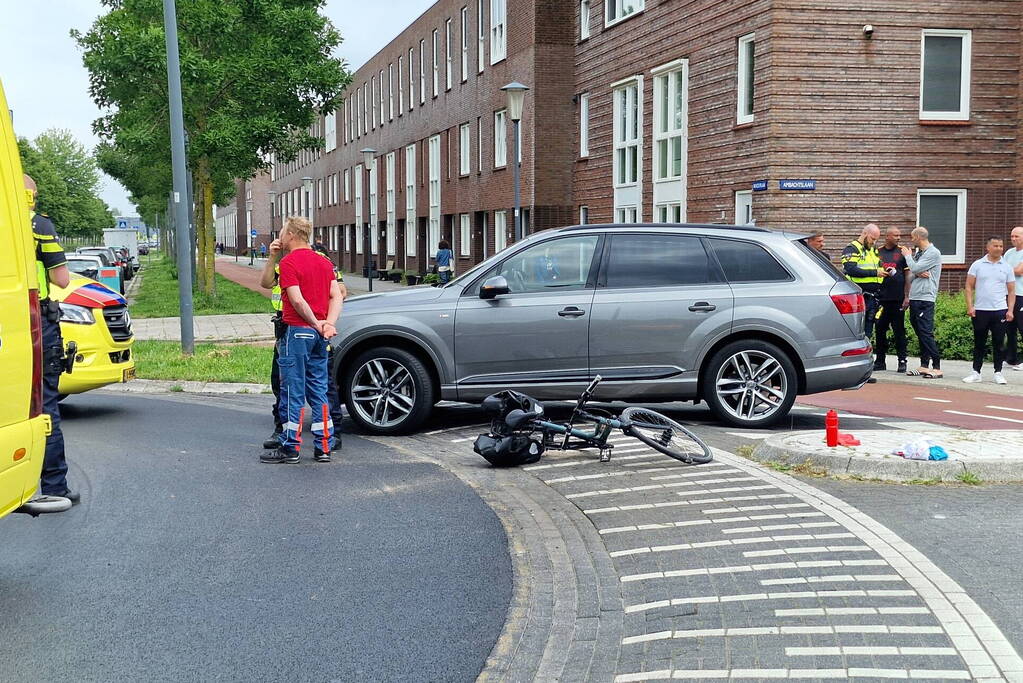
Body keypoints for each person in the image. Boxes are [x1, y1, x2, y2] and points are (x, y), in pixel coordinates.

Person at [261, 217, 343, 464]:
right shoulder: (323, 262)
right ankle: (324, 446)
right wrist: (327, 323)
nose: (280, 236)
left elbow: (296, 300)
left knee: (292, 390)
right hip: (320, 337)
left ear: (293, 234)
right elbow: (336, 295)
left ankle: (291, 447)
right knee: (319, 389)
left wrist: (314, 322)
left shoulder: (289, 263)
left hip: (297, 331)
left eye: (284, 232)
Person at [23, 174, 77, 508]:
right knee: (44, 403)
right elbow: (61, 278)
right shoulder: (40, 226)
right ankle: (54, 485)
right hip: (34, 323)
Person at [963, 236, 1016, 385]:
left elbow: (1012, 291)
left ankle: (998, 372)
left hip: (1000, 310)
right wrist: (970, 306)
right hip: (980, 310)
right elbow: (968, 287)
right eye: (995, 246)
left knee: (999, 343)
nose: (999, 248)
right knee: (979, 342)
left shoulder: (1006, 267)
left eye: (1001, 246)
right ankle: (976, 372)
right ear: (988, 247)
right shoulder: (977, 265)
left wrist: (1010, 310)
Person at [901, 227, 943, 378]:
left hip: (926, 298)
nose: (911, 240)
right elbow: (911, 275)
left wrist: (908, 257)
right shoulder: (920, 254)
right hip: (915, 297)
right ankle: (924, 365)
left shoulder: (933, 253)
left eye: (913, 237)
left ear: (919, 237)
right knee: (919, 331)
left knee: (925, 332)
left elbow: (914, 267)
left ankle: (937, 366)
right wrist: (917, 271)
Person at [841, 223, 888, 341]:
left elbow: (877, 266)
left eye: (876, 239)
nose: (874, 242)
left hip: (873, 296)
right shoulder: (852, 248)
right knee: (857, 330)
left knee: (869, 330)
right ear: (865, 233)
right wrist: (875, 273)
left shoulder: (873, 249)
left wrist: (885, 271)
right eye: (872, 238)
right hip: (859, 295)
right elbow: (850, 269)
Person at [874, 227, 910, 373]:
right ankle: (880, 361)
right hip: (881, 299)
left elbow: (908, 275)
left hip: (897, 299)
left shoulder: (902, 252)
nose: (898, 237)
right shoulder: (878, 252)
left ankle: (902, 361)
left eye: (899, 235)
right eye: (895, 235)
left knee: (899, 331)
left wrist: (907, 296)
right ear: (887, 236)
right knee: (880, 330)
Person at [1003, 226, 1023, 370]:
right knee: (1009, 328)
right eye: (1012, 236)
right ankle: (1011, 359)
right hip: (1008, 294)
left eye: (1017, 236)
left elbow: (1019, 271)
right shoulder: (1009, 253)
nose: (1014, 239)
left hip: (1021, 294)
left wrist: (1006, 270)